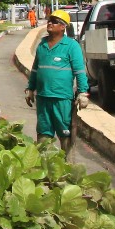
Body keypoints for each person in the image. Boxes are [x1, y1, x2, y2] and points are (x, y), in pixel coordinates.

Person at [25, 10, 89, 157]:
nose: (50, 23)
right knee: (43, 135)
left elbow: (79, 72)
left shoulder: (71, 46)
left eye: (54, 21)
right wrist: (30, 88)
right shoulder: (42, 45)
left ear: (63, 27)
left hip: (62, 99)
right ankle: (45, 171)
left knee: (65, 135)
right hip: (43, 98)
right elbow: (35, 69)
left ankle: (67, 169)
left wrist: (82, 92)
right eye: (49, 20)